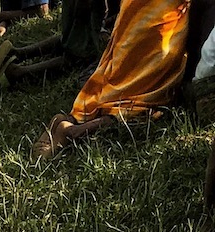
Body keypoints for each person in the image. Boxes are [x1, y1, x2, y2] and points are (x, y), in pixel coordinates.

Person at [31, 0, 190, 155]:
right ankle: (75, 131)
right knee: (145, 100)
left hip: (134, 13)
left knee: (116, 78)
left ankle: (70, 118)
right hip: (163, 22)